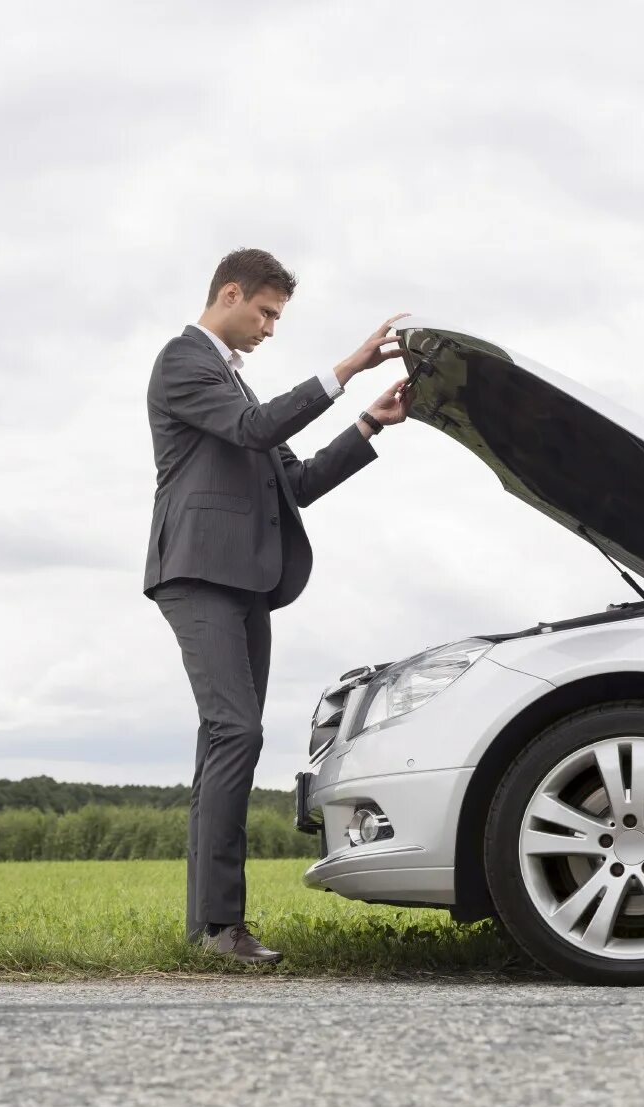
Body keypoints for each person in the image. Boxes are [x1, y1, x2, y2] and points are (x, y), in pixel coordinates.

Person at [142, 248, 412, 964]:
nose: (269, 328)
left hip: (246, 580)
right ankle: (220, 927)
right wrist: (345, 366)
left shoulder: (236, 387)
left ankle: (207, 930)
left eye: (276, 317)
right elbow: (256, 430)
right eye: (264, 312)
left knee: (224, 740)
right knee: (237, 731)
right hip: (197, 573)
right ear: (229, 294)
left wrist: (366, 425)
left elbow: (297, 482)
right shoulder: (184, 362)